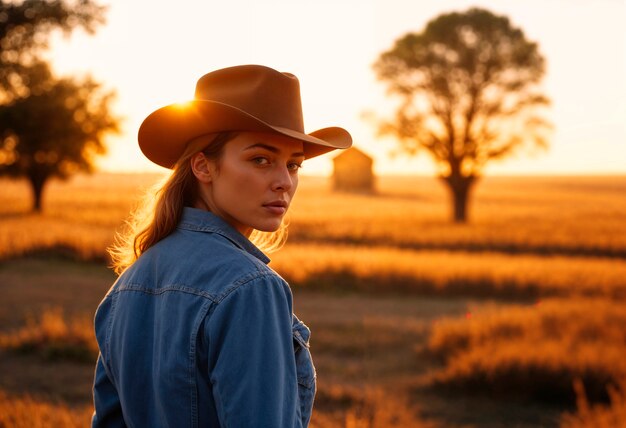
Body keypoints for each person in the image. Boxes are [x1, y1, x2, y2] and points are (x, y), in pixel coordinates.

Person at [91, 64, 351, 427]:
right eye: (260, 159)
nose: (283, 182)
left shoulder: (127, 285)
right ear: (203, 166)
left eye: (293, 165)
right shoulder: (250, 287)